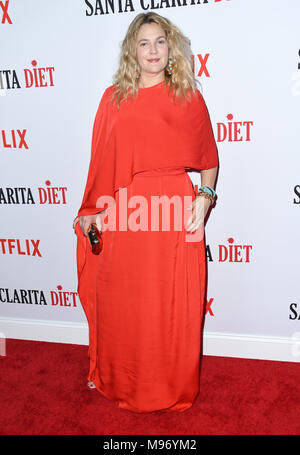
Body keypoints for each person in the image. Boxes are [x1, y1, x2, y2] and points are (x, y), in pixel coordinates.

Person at [73, 11, 219, 414]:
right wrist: (91, 210)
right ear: (131, 52)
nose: (152, 50)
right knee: (126, 301)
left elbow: (209, 159)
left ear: (170, 49)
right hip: (125, 211)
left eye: (159, 41)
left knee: (172, 305)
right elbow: (99, 162)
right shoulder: (112, 98)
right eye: (143, 43)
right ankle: (121, 378)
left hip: (172, 211)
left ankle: (167, 386)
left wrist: (204, 198)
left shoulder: (187, 96)